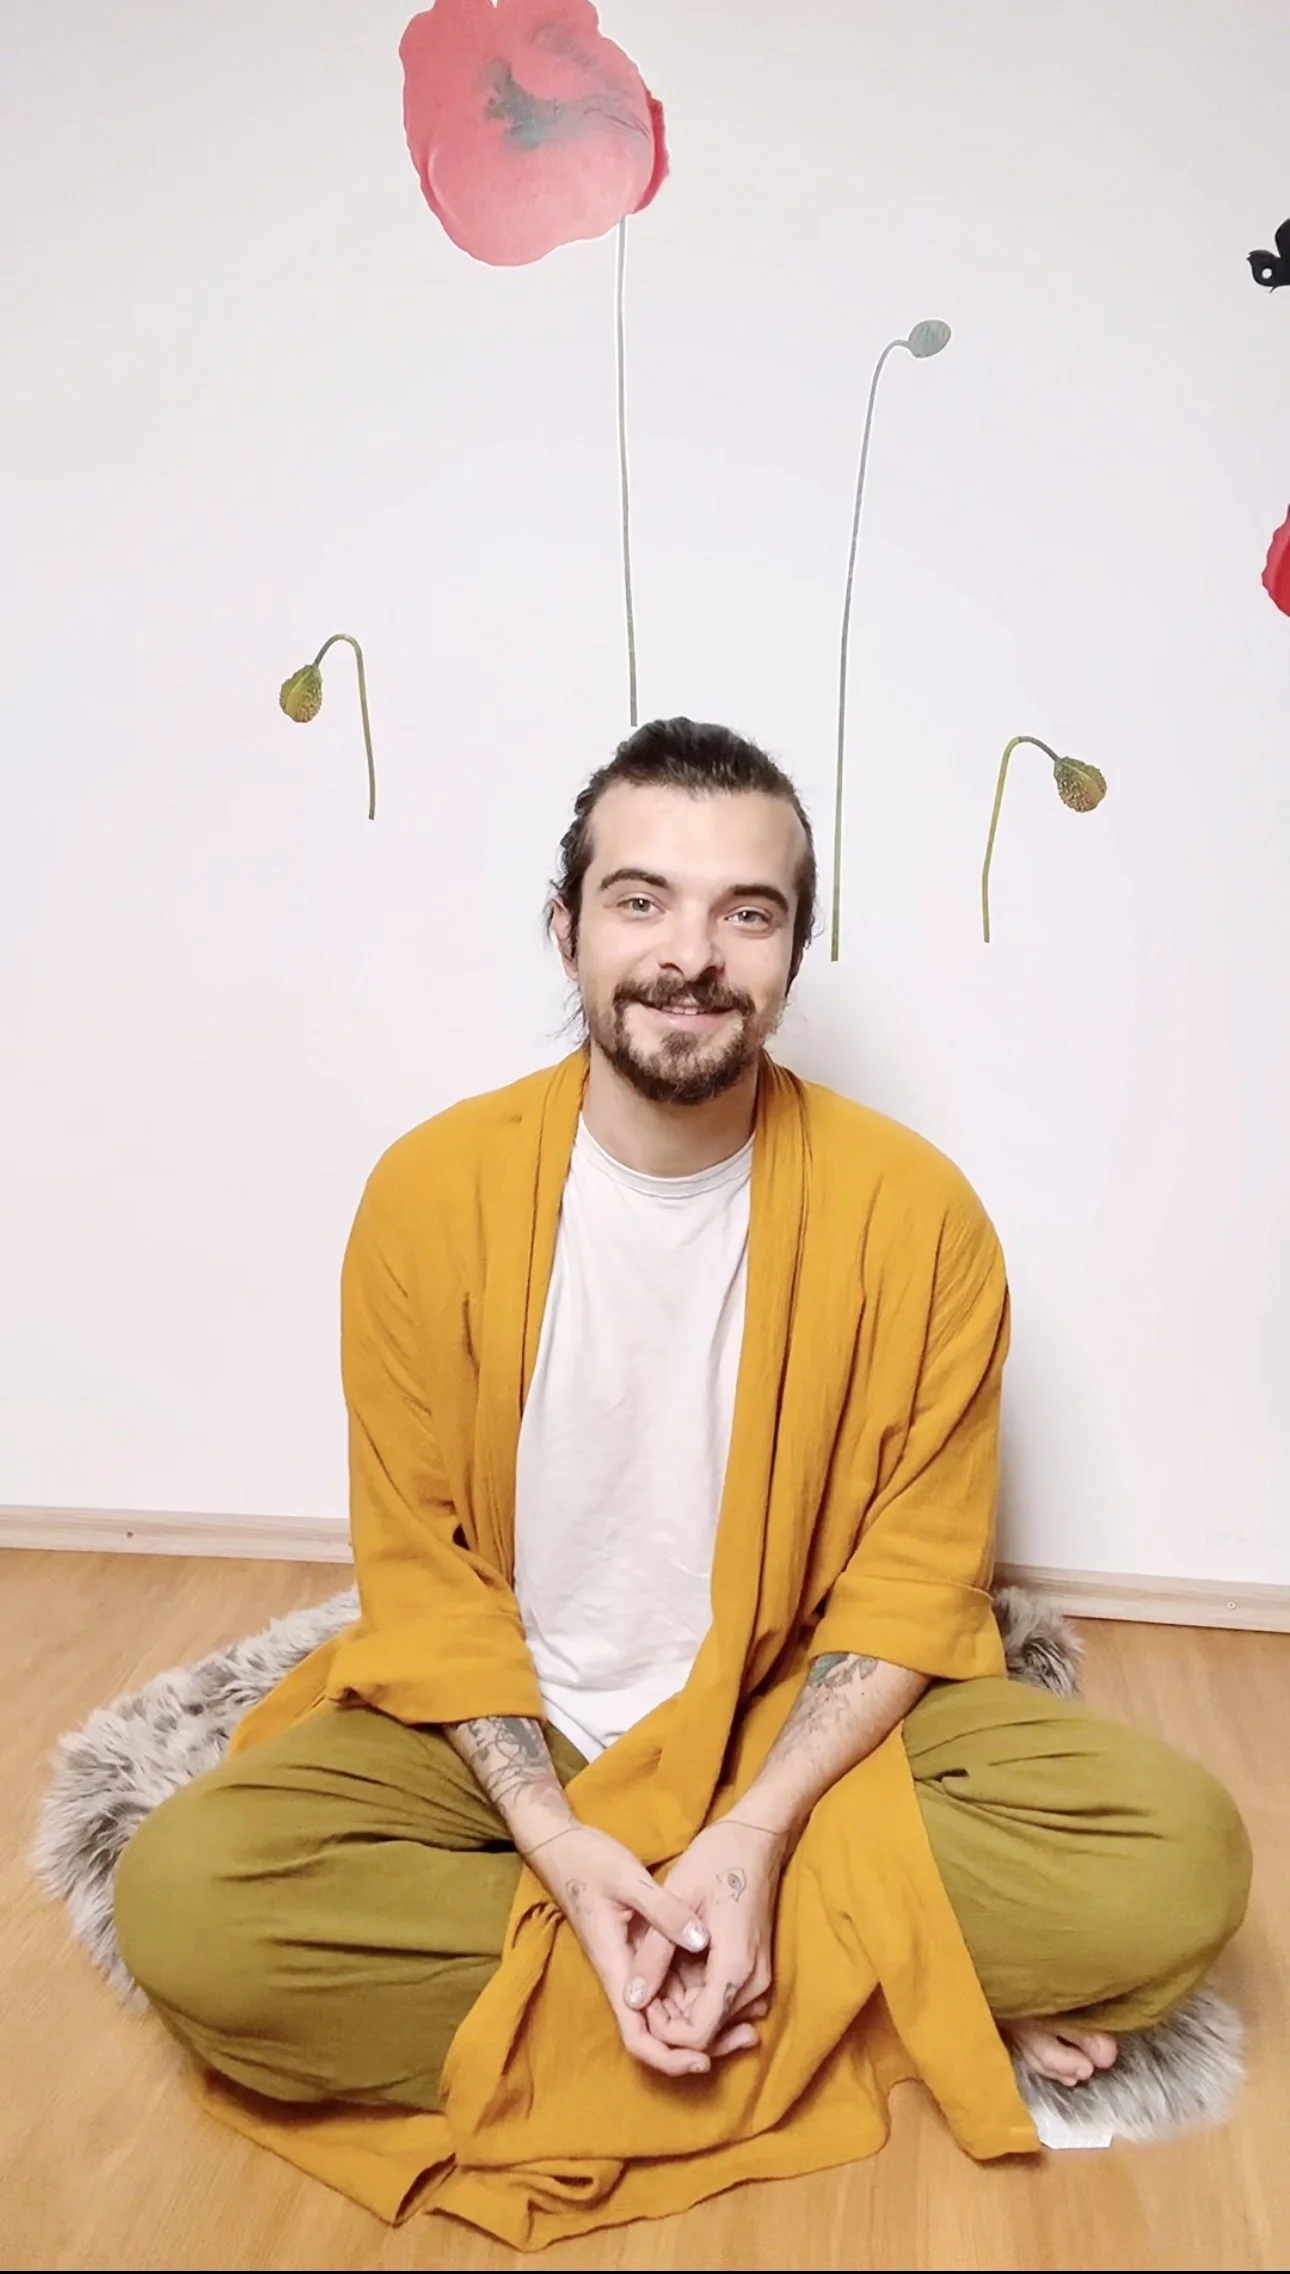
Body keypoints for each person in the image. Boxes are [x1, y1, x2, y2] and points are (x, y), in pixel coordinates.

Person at [113, 719, 1251, 2247]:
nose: (689, 954)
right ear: (566, 927)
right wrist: (566, 1846)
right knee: (193, 1907)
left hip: (794, 1729)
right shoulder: (425, 1195)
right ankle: (882, 1979)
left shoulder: (918, 1216)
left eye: (746, 911)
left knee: (1175, 1867)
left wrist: (756, 1831)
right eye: (640, 899)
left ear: (793, 950)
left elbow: (912, 1584)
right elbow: (425, 1575)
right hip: (507, 1725)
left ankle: (688, 1964)